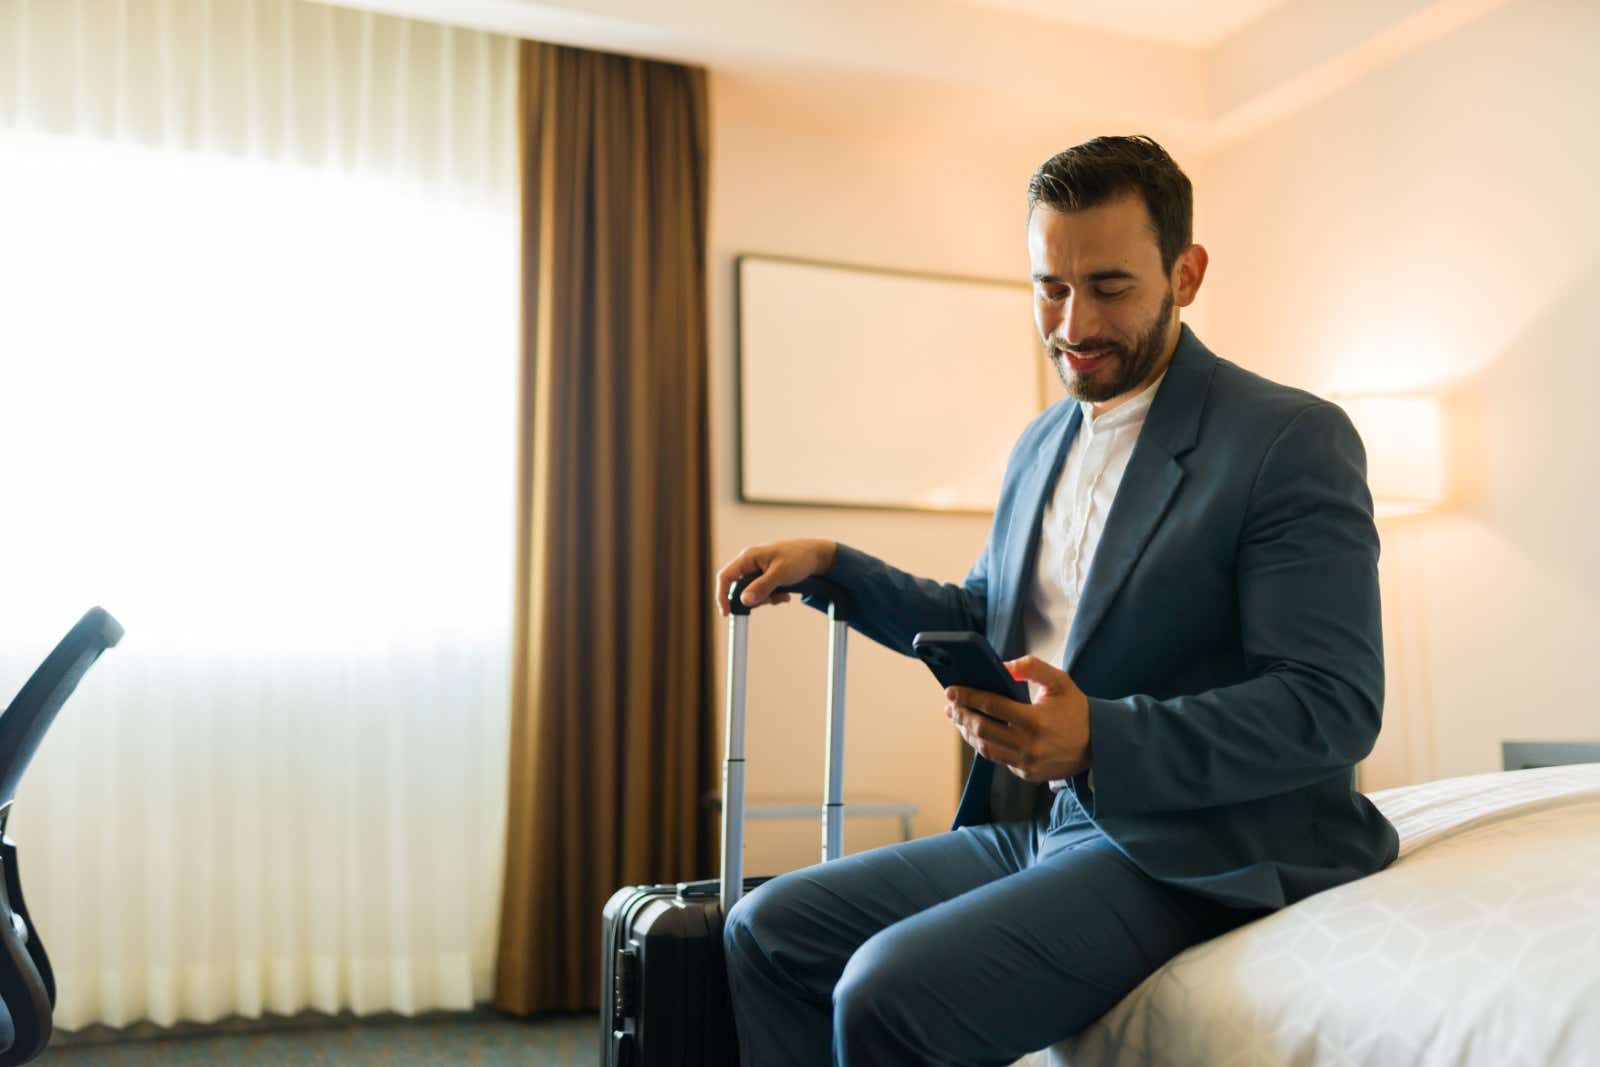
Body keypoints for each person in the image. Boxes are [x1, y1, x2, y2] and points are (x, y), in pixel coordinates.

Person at [713, 135, 1399, 1066]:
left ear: (1186, 274)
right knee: (764, 925)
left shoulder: (1289, 439)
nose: (1072, 322)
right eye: (1049, 287)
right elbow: (988, 613)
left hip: (1186, 842)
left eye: (1109, 287)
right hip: (1039, 826)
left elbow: (1331, 704)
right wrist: (832, 564)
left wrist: (1102, 738)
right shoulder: (1042, 442)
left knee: (887, 988)